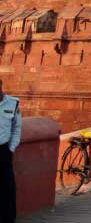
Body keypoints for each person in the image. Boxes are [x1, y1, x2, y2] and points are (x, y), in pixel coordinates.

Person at [0, 79, 21, 223]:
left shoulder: (13, 103)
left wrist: (11, 147)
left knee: (6, 187)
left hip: (3, 150)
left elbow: (17, 127)